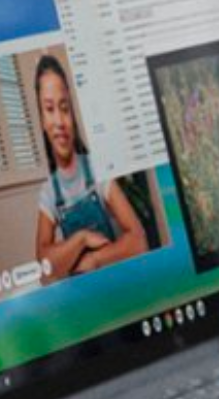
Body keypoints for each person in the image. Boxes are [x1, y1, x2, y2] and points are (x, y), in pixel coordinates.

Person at [33, 54, 147, 281]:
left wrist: (95, 260)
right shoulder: (48, 193)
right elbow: (45, 270)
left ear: (73, 115)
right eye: (49, 109)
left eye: (64, 108)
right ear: (42, 121)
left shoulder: (97, 168)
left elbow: (138, 240)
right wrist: (81, 239)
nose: (59, 121)